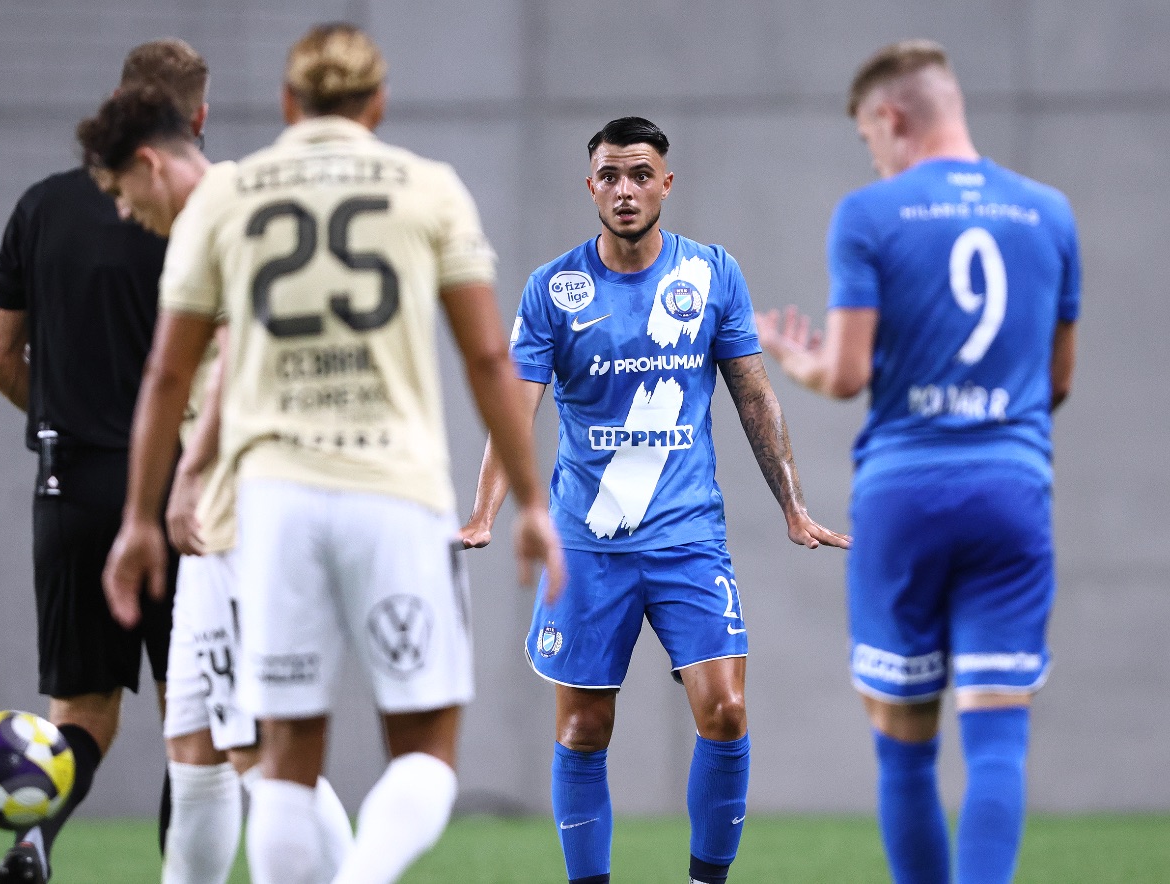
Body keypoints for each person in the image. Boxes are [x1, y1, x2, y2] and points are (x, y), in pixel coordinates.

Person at [99, 22, 565, 884]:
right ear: (378, 102)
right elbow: (487, 358)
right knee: (425, 755)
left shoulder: (231, 196)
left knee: (281, 761)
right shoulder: (429, 188)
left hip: (274, 502)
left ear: (288, 102)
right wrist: (532, 502)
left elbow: (168, 371)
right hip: (396, 489)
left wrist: (138, 517)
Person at [460, 116, 850, 884]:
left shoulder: (711, 274)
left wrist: (793, 505)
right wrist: (484, 513)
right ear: (591, 187)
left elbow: (754, 396)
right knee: (583, 727)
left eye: (640, 174)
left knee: (726, 710)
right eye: (610, 175)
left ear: (666, 183)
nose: (625, 190)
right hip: (587, 543)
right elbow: (516, 410)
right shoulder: (554, 289)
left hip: (687, 538)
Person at [757, 40, 1080, 884]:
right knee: (998, 737)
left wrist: (792, 357)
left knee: (904, 748)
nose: (874, 157)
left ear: (890, 117)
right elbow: (1058, 381)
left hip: (904, 494)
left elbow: (846, 375)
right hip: (1012, 489)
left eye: (870, 139)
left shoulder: (870, 214)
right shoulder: (1049, 211)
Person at [76, 85, 353, 884]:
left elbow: (237, 349)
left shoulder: (227, 210)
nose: (124, 211)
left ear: (149, 164)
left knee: (259, 748)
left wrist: (190, 471)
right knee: (195, 744)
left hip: (244, 508)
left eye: (120, 191)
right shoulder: (223, 206)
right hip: (216, 524)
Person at [0, 40, 208, 884]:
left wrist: (60, 419)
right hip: (180, 493)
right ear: (196, 118)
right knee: (195, 720)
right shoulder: (201, 213)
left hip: (68, 488)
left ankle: (34, 842)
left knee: (81, 712)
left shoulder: (40, 206)